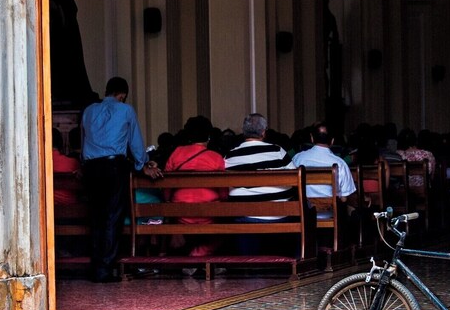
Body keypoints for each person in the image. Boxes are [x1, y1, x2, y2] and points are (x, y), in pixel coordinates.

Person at [81, 77, 162, 283]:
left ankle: (95, 266)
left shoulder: (89, 110)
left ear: (107, 91)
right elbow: (135, 142)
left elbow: (84, 141)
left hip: (90, 168)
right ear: (122, 95)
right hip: (114, 167)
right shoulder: (126, 111)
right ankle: (104, 269)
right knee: (112, 217)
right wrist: (142, 164)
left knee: (95, 217)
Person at [224, 114, 297, 254]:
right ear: (264, 132)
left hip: (244, 216)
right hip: (278, 214)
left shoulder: (230, 155)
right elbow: (294, 180)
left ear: (243, 131)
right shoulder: (278, 151)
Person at [164, 115, 227, 256]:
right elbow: (224, 193)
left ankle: (189, 255)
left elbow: (166, 189)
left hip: (181, 213)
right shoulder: (216, 157)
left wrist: (169, 203)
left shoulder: (176, 153)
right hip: (209, 213)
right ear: (209, 137)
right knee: (229, 228)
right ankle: (199, 254)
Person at [292, 124, 356, 218]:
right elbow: (344, 198)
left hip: (304, 214)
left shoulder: (298, 159)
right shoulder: (339, 163)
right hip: (330, 214)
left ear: (312, 138)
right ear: (332, 141)